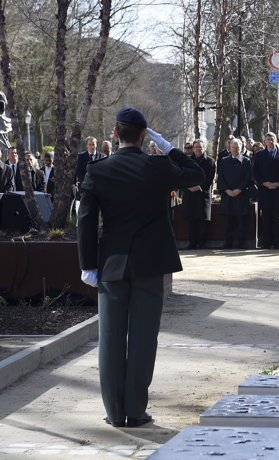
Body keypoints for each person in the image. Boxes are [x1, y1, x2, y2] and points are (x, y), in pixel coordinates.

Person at [77, 107, 204, 428]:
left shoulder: (98, 170)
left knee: (110, 337)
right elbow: (197, 173)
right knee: (144, 338)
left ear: (116, 134)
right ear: (144, 135)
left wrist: (87, 265)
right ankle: (136, 409)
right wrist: (169, 147)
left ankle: (115, 411)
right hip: (149, 264)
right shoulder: (157, 166)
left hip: (112, 264)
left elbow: (86, 220)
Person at [252, 132, 279, 249]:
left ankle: (278, 242)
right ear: (265, 141)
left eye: (272, 138)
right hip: (265, 190)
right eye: (268, 139)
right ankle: (266, 242)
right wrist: (264, 183)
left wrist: (278, 183)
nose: (270, 141)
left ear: (276, 140)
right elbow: (255, 172)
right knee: (266, 217)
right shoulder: (259, 155)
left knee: (277, 218)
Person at [217, 138, 252, 249]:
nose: (235, 149)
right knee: (228, 221)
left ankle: (241, 243)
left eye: (237, 147)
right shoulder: (223, 161)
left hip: (241, 195)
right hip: (227, 195)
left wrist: (239, 189)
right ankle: (228, 243)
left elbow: (248, 178)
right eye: (233, 147)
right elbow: (220, 178)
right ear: (230, 148)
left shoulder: (246, 161)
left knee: (241, 221)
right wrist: (227, 190)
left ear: (241, 148)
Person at [182, 139, 216, 249]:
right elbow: (183, 175)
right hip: (190, 193)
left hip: (202, 194)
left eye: (200, 147)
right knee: (191, 220)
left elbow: (210, 178)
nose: (198, 149)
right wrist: (188, 186)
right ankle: (192, 242)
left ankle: (201, 243)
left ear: (204, 148)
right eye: (196, 147)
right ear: (193, 148)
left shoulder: (210, 161)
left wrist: (199, 187)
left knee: (202, 221)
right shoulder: (187, 160)